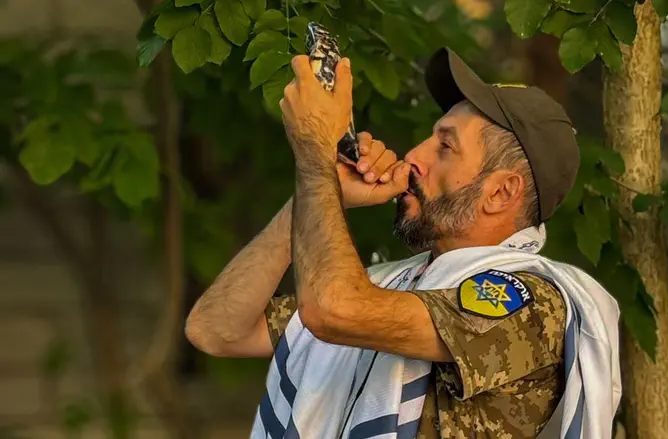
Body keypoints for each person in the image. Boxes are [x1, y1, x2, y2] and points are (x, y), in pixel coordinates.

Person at [185, 47, 621, 439]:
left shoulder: (533, 304)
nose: (414, 155)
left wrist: (314, 152)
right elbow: (217, 330)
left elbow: (335, 311)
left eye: (445, 146)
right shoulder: (396, 285)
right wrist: (316, 192)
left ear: (501, 193)